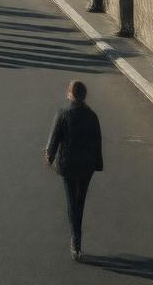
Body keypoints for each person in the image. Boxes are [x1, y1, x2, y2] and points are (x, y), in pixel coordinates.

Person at [45, 80, 104, 261]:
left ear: (70, 94)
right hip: (86, 166)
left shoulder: (63, 114)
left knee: (72, 202)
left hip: (68, 164)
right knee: (80, 201)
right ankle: (76, 239)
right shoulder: (92, 116)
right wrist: (98, 163)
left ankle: (75, 241)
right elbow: (97, 141)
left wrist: (49, 156)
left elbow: (54, 139)